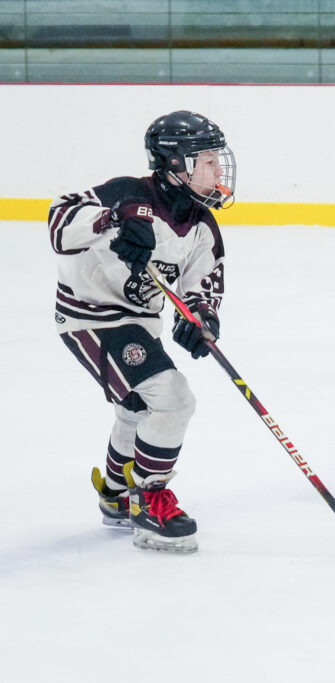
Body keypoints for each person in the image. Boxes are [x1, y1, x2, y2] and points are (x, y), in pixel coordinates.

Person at [50, 110, 236, 553]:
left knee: (138, 404)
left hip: (137, 321)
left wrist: (201, 319)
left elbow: (202, 286)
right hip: (90, 315)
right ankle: (148, 501)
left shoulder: (202, 225)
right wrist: (112, 219)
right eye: (207, 161)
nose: (218, 170)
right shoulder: (128, 192)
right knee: (172, 399)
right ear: (176, 164)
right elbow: (59, 225)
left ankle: (116, 494)